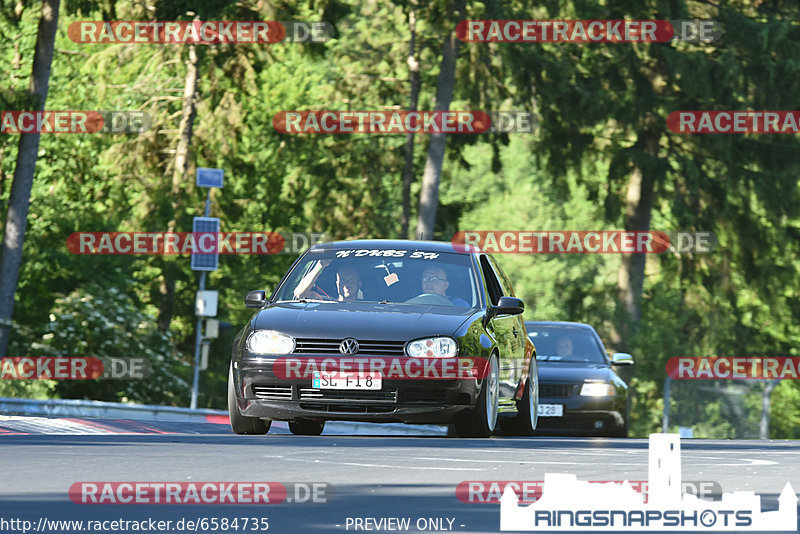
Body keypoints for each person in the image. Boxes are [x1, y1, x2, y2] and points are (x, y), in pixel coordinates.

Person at [294, 260, 362, 301]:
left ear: (359, 284)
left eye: (351, 279)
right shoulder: (324, 302)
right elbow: (299, 294)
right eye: (343, 280)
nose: (346, 284)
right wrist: (321, 266)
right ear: (337, 283)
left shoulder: (368, 307)